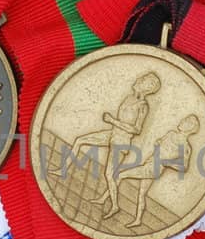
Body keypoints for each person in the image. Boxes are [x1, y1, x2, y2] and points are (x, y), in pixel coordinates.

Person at [61, 73, 160, 218]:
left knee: (109, 174)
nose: (139, 79)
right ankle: (62, 169)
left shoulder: (142, 106)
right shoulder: (129, 98)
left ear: (148, 88)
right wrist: (113, 124)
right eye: (142, 78)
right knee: (80, 140)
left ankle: (114, 206)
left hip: (122, 141)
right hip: (112, 134)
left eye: (143, 80)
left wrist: (113, 121)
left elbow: (137, 129)